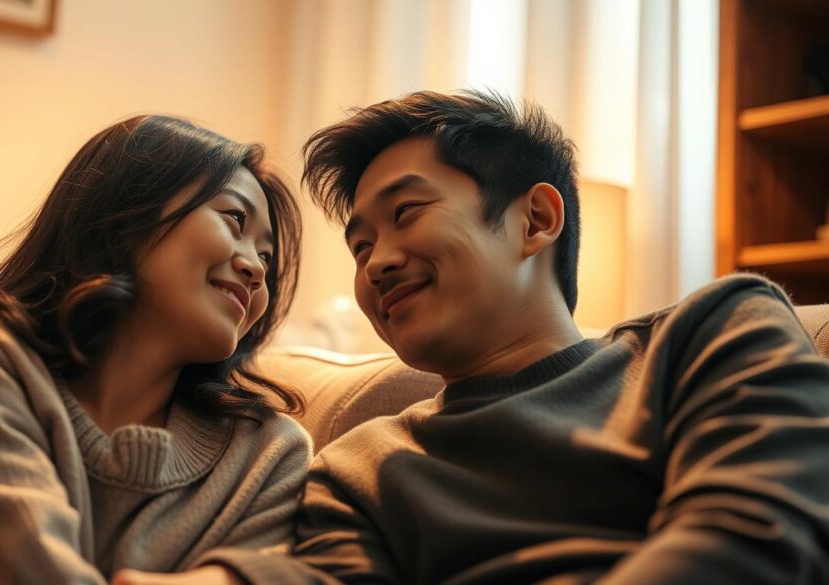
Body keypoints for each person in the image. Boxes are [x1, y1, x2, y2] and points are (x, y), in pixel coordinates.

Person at [190, 90, 829, 584]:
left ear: (537, 219)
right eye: (360, 246)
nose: (377, 262)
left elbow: (755, 535)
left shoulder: (713, 335)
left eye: (406, 212)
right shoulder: (357, 469)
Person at [0, 115, 311, 584]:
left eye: (267, 257)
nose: (256, 269)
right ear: (126, 216)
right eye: (234, 219)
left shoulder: (268, 455)